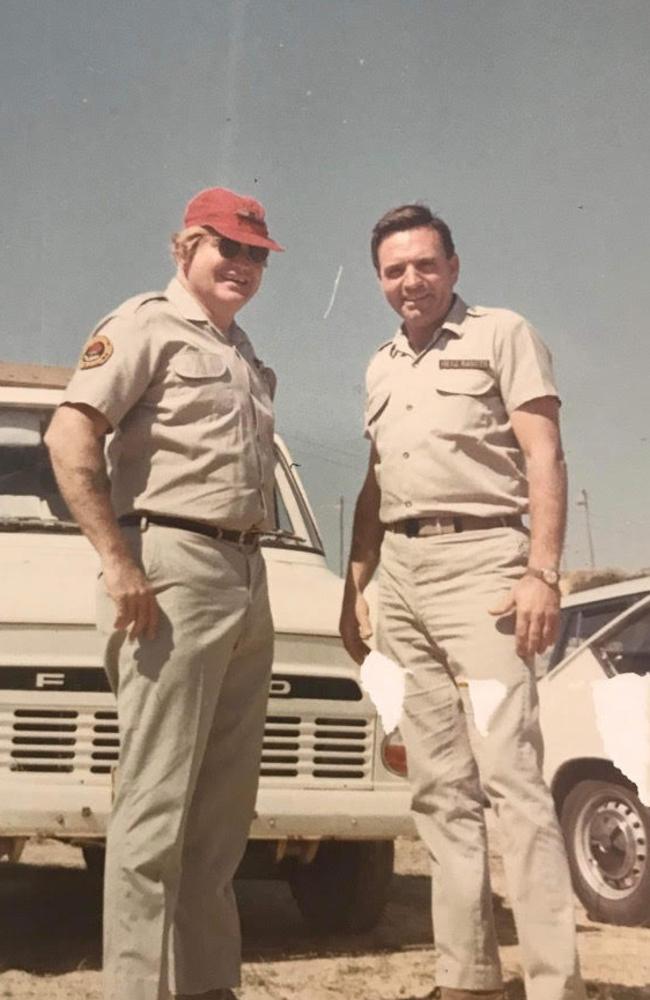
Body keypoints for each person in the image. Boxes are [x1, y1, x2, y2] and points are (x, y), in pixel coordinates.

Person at [339, 203, 586, 1000]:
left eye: (424, 265)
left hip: (485, 566)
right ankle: (468, 979)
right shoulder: (380, 365)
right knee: (438, 787)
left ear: (452, 266)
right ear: (380, 280)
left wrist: (540, 572)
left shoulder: (501, 334)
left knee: (510, 778)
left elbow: (544, 456)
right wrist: (357, 582)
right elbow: (376, 485)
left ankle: (555, 984)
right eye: (393, 270)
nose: (410, 282)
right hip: (402, 577)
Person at [45, 187, 284, 1000]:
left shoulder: (242, 351)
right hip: (171, 565)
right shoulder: (146, 324)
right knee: (153, 815)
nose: (244, 266)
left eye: (256, 254)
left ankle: (209, 988)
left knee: (219, 824)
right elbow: (70, 432)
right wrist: (118, 561)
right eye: (229, 248)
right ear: (185, 247)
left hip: (247, 573)